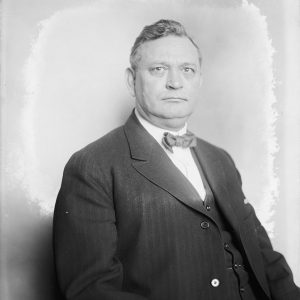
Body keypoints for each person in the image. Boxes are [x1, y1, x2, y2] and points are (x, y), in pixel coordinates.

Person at [53, 19, 300, 300]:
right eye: (159, 69)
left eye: (187, 70)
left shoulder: (220, 159)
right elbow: (91, 290)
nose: (175, 82)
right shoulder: (92, 166)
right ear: (131, 81)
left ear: (199, 82)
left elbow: (263, 256)